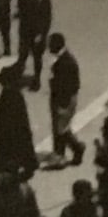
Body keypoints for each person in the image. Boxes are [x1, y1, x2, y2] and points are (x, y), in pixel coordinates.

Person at [0, 59, 39, 179]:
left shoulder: (8, 95)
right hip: (14, 133)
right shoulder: (14, 95)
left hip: (9, 134)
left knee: (8, 157)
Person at [46, 33, 84, 165]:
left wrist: (63, 106)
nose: (48, 47)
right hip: (59, 98)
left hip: (63, 100)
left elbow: (70, 86)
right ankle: (61, 152)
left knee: (61, 129)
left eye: (50, 44)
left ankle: (66, 153)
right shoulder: (61, 59)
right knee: (59, 128)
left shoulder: (66, 63)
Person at [15, 0, 52, 86]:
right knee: (22, 55)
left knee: (37, 57)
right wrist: (18, 14)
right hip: (25, 30)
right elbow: (21, 9)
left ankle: (37, 79)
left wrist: (41, 34)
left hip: (37, 32)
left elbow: (46, 18)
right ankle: (19, 76)